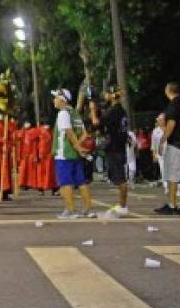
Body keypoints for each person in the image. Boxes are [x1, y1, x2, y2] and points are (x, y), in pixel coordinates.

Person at [51, 88, 95, 219]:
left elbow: (69, 132)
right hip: (75, 155)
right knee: (81, 182)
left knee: (65, 183)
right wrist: (79, 148)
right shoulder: (75, 113)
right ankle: (88, 210)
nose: (54, 100)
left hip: (64, 153)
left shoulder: (63, 113)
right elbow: (85, 133)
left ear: (62, 99)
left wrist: (76, 146)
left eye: (56, 97)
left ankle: (71, 211)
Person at [155, 82, 180, 215]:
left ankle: (172, 206)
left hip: (177, 144)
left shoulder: (173, 105)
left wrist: (162, 139)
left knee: (173, 176)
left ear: (168, 90)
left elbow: (171, 124)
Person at [91, 86, 130, 218]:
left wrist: (92, 109)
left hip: (115, 147)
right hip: (118, 146)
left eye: (107, 93)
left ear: (112, 95)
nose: (105, 96)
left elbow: (96, 123)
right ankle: (122, 205)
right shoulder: (121, 111)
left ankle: (123, 206)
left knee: (121, 179)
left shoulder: (114, 111)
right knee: (119, 177)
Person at [151, 114, 167, 191]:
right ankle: (166, 187)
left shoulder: (169, 128)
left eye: (161, 120)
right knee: (163, 170)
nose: (159, 122)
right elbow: (154, 143)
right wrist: (154, 154)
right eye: (158, 120)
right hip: (160, 154)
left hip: (171, 152)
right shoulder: (155, 131)